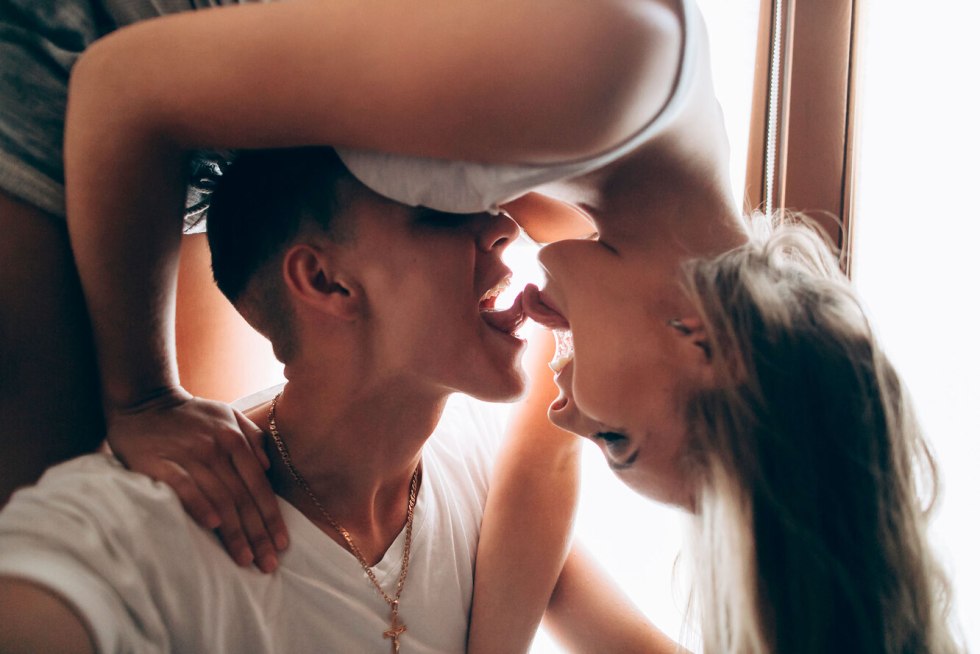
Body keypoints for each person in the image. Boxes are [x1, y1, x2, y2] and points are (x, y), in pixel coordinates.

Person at [52, 0, 960, 651]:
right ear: (701, 345)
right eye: (618, 439)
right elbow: (120, 87)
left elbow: (537, 461)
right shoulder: (609, 69)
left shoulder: (625, 191)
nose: (571, 422)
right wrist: (143, 393)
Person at [0, 146, 677, 653]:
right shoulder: (142, 526)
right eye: (442, 213)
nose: (504, 230)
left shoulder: (484, 469)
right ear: (325, 280)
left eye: (489, 204)